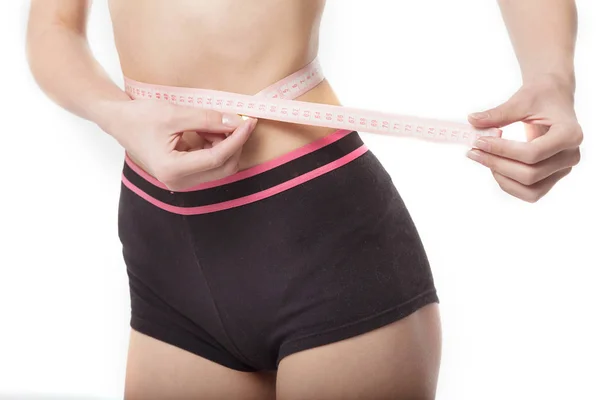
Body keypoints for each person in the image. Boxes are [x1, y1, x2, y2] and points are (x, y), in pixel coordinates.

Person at [26, 1, 582, 399]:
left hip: (317, 231)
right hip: (162, 248)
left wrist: (551, 80)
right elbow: (53, 25)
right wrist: (116, 112)